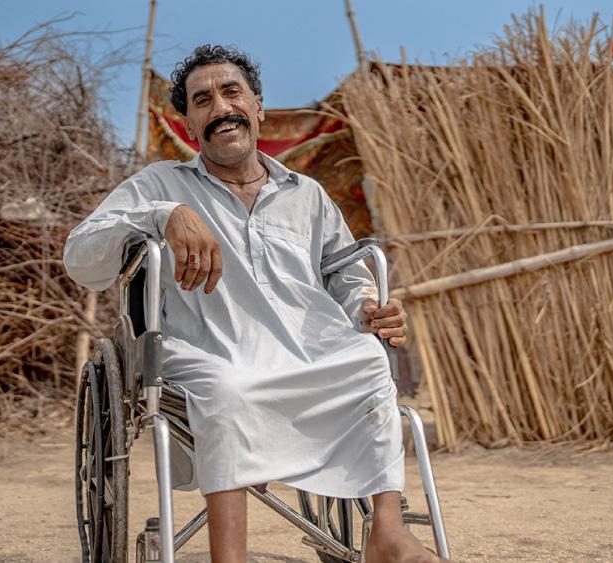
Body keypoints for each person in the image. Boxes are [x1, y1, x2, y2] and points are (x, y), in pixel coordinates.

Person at [64, 44, 439, 563]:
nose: (220, 107)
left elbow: (345, 275)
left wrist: (368, 306)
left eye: (231, 92)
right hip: (208, 349)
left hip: (304, 350)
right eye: (202, 101)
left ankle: (388, 537)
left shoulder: (306, 195)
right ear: (190, 126)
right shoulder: (160, 185)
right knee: (227, 388)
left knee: (369, 362)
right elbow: (80, 257)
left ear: (257, 107)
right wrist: (163, 215)